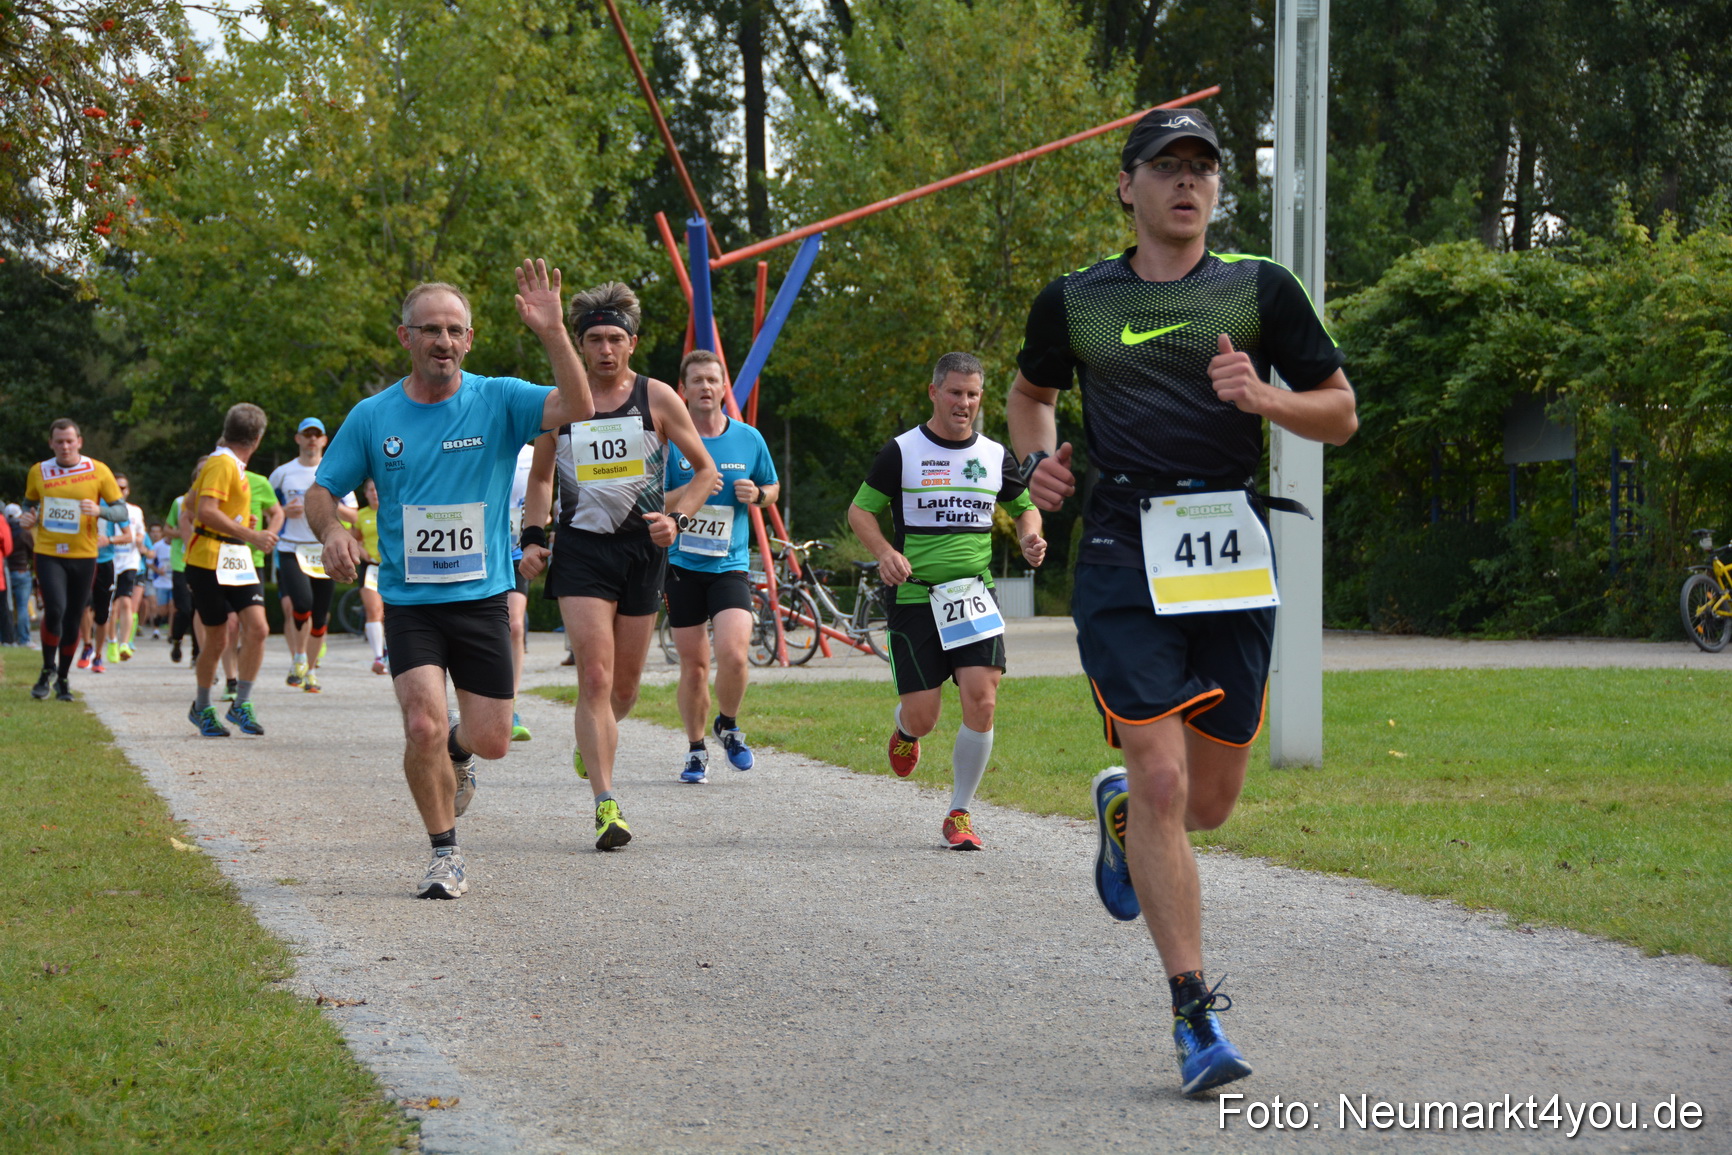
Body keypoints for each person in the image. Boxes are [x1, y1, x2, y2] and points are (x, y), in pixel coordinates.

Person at [1005, 108, 1358, 1096]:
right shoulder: (1076, 301)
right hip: (1121, 548)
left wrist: (1266, 401)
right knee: (1162, 780)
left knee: (1205, 804)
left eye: (1202, 166)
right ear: (1127, 186)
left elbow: (1339, 412)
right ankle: (1193, 1015)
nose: (1186, 182)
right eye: (1166, 165)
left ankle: (1121, 812)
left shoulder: (1257, 292)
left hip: (1231, 551)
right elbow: (1030, 394)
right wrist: (1036, 464)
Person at [309, 261, 594, 899]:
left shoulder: (497, 399)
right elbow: (324, 490)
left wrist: (553, 331)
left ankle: (460, 756)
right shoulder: (373, 416)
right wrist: (331, 530)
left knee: (491, 740)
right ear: (405, 337)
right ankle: (444, 853)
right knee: (421, 728)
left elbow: (580, 406)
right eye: (430, 329)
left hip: (484, 597)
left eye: (454, 330)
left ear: (469, 339)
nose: (443, 340)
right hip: (410, 601)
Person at [518, 281, 717, 851]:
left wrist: (673, 516)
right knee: (596, 678)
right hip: (581, 549)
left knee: (623, 691)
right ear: (579, 346)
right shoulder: (560, 402)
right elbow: (539, 478)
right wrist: (534, 536)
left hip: (641, 552)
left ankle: (592, 741)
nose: (605, 350)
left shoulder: (657, 398)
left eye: (615, 339)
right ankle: (607, 804)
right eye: (594, 340)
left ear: (632, 343)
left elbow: (704, 473)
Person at [848, 352, 1045, 849]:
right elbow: (860, 511)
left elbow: (1026, 510)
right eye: (955, 392)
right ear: (934, 393)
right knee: (925, 716)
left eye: (973, 394)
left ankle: (960, 813)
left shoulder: (996, 455)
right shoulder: (902, 451)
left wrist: (1029, 537)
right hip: (915, 598)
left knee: (982, 699)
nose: (965, 403)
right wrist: (886, 552)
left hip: (973, 595)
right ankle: (905, 731)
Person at [662, 349, 778, 784]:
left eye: (713, 380)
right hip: (681, 566)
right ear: (683, 390)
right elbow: (651, 500)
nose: (706, 388)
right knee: (693, 666)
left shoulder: (749, 438)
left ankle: (727, 724)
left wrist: (760, 495)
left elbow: (773, 486)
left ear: (724, 387)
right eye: (698, 381)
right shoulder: (670, 440)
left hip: (729, 565)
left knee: (733, 653)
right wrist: (691, 488)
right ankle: (695, 752)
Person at [184, 403, 278, 737]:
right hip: (209, 560)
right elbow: (205, 510)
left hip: (235, 559)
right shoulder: (222, 463)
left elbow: (189, 504)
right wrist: (249, 533)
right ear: (258, 438)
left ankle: (241, 704)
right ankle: (202, 706)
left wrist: (237, 521)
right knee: (217, 637)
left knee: (259, 629)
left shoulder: (230, 465)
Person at [20, 419, 126, 701]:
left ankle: (63, 679)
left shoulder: (98, 470)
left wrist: (99, 511)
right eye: (59, 441)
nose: (65, 446)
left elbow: (121, 512)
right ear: (51, 443)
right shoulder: (38, 471)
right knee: (54, 609)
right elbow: (28, 503)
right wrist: (26, 516)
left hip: (84, 554)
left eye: (70, 441)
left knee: (73, 616)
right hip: (49, 552)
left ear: (79, 441)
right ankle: (46, 670)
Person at [271, 418, 355, 693]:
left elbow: (354, 516)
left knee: (320, 616)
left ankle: (311, 670)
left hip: (321, 550)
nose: (311, 440)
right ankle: (298, 657)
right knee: (302, 603)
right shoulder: (283, 473)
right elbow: (266, 509)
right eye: (306, 435)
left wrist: (328, 504)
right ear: (297, 439)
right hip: (291, 548)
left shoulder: (336, 473)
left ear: (324, 440)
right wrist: (284, 512)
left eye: (316, 435)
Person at [506, 440, 536, 740]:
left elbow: (544, 488)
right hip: (478, 553)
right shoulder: (481, 442)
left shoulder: (533, 454)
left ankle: (510, 706)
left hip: (515, 553)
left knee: (515, 626)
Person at [105, 474, 148, 662]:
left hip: (130, 561)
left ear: (128, 490)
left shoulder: (135, 511)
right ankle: (112, 641)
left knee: (126, 602)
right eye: (116, 487)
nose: (120, 491)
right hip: (110, 560)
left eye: (123, 488)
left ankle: (124, 643)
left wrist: (138, 539)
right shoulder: (104, 510)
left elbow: (140, 533)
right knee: (111, 607)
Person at [351, 478, 388, 674]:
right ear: (365, 493)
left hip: (392, 567)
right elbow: (353, 538)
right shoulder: (361, 515)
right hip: (370, 567)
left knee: (392, 611)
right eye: (371, 490)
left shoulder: (394, 510)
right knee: (374, 610)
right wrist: (359, 549)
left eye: (377, 489)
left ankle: (392, 653)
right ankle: (378, 657)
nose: (375, 493)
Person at [5, 502, 30, 645]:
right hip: (21, 571)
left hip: (6, 573)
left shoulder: (4, 530)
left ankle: (8, 637)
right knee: (22, 607)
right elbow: (33, 551)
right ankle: (24, 639)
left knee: (7, 607)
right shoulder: (24, 532)